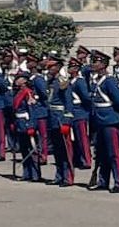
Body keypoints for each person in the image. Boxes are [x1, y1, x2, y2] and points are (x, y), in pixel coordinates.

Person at [87, 49, 119, 193]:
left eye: (95, 61)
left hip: (110, 120)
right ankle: (103, 181)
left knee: (114, 153)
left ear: (103, 64)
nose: (92, 64)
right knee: (101, 153)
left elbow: (118, 101)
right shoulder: (96, 80)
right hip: (99, 120)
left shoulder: (109, 80)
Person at [44, 54, 74, 187]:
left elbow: (68, 101)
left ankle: (68, 177)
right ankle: (59, 175)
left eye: (51, 66)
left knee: (65, 150)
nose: (49, 68)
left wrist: (67, 120)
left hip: (61, 118)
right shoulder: (50, 81)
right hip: (53, 118)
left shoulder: (63, 82)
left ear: (58, 67)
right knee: (56, 150)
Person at [12, 71, 41, 182]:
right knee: (24, 149)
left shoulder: (28, 93)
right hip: (20, 123)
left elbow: (32, 110)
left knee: (32, 150)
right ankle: (26, 173)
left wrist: (31, 126)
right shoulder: (18, 92)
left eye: (19, 78)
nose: (16, 80)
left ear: (24, 81)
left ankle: (35, 174)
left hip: (27, 122)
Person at [66, 57, 93, 169]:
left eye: (71, 67)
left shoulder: (80, 81)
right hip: (73, 112)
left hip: (80, 112)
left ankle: (86, 160)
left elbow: (86, 98)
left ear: (76, 68)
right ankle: (78, 159)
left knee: (82, 138)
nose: (69, 68)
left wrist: (85, 110)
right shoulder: (69, 81)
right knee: (75, 139)